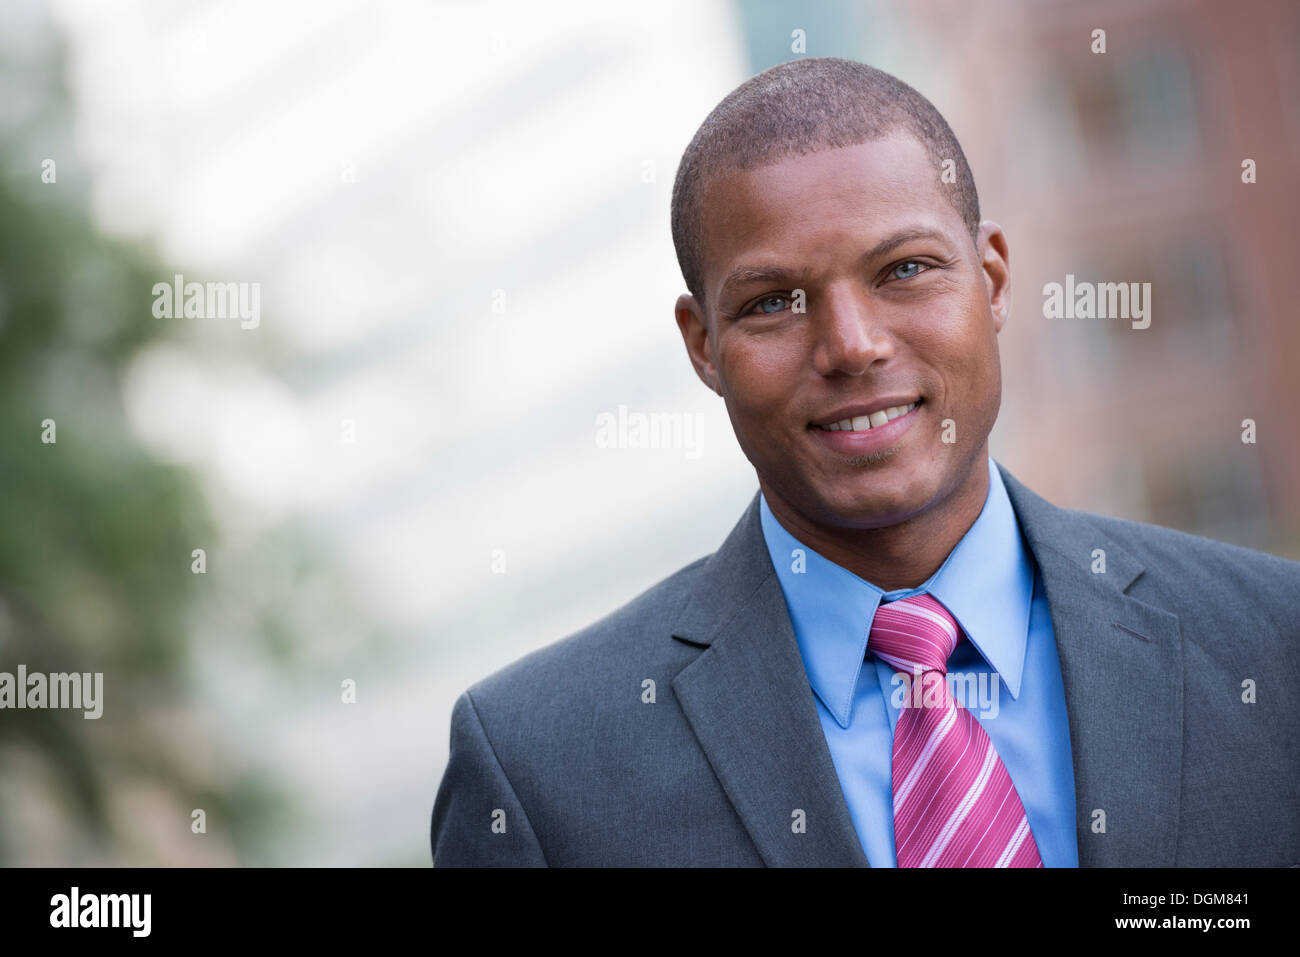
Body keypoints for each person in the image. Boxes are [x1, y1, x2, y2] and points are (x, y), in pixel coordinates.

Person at [429, 57, 1299, 867]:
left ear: (992, 280)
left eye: (905, 269)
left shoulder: (1273, 646)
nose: (852, 346)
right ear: (703, 347)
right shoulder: (541, 770)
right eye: (775, 302)